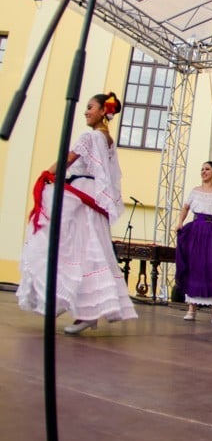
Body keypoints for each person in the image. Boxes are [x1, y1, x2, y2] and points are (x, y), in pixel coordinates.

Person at [17, 92, 137, 334]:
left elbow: (67, 160)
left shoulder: (90, 136)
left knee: (67, 244)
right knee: (87, 250)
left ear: (104, 111)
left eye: (90, 107)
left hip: (82, 194)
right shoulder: (108, 139)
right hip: (93, 196)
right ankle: (83, 309)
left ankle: (72, 303)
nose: (86, 111)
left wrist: (46, 175)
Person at [175, 161, 212, 325]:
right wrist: (180, 221)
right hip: (196, 229)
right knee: (195, 266)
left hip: (211, 231)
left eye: (207, 169)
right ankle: (191, 308)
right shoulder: (195, 191)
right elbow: (186, 207)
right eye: (202, 169)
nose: (203, 172)